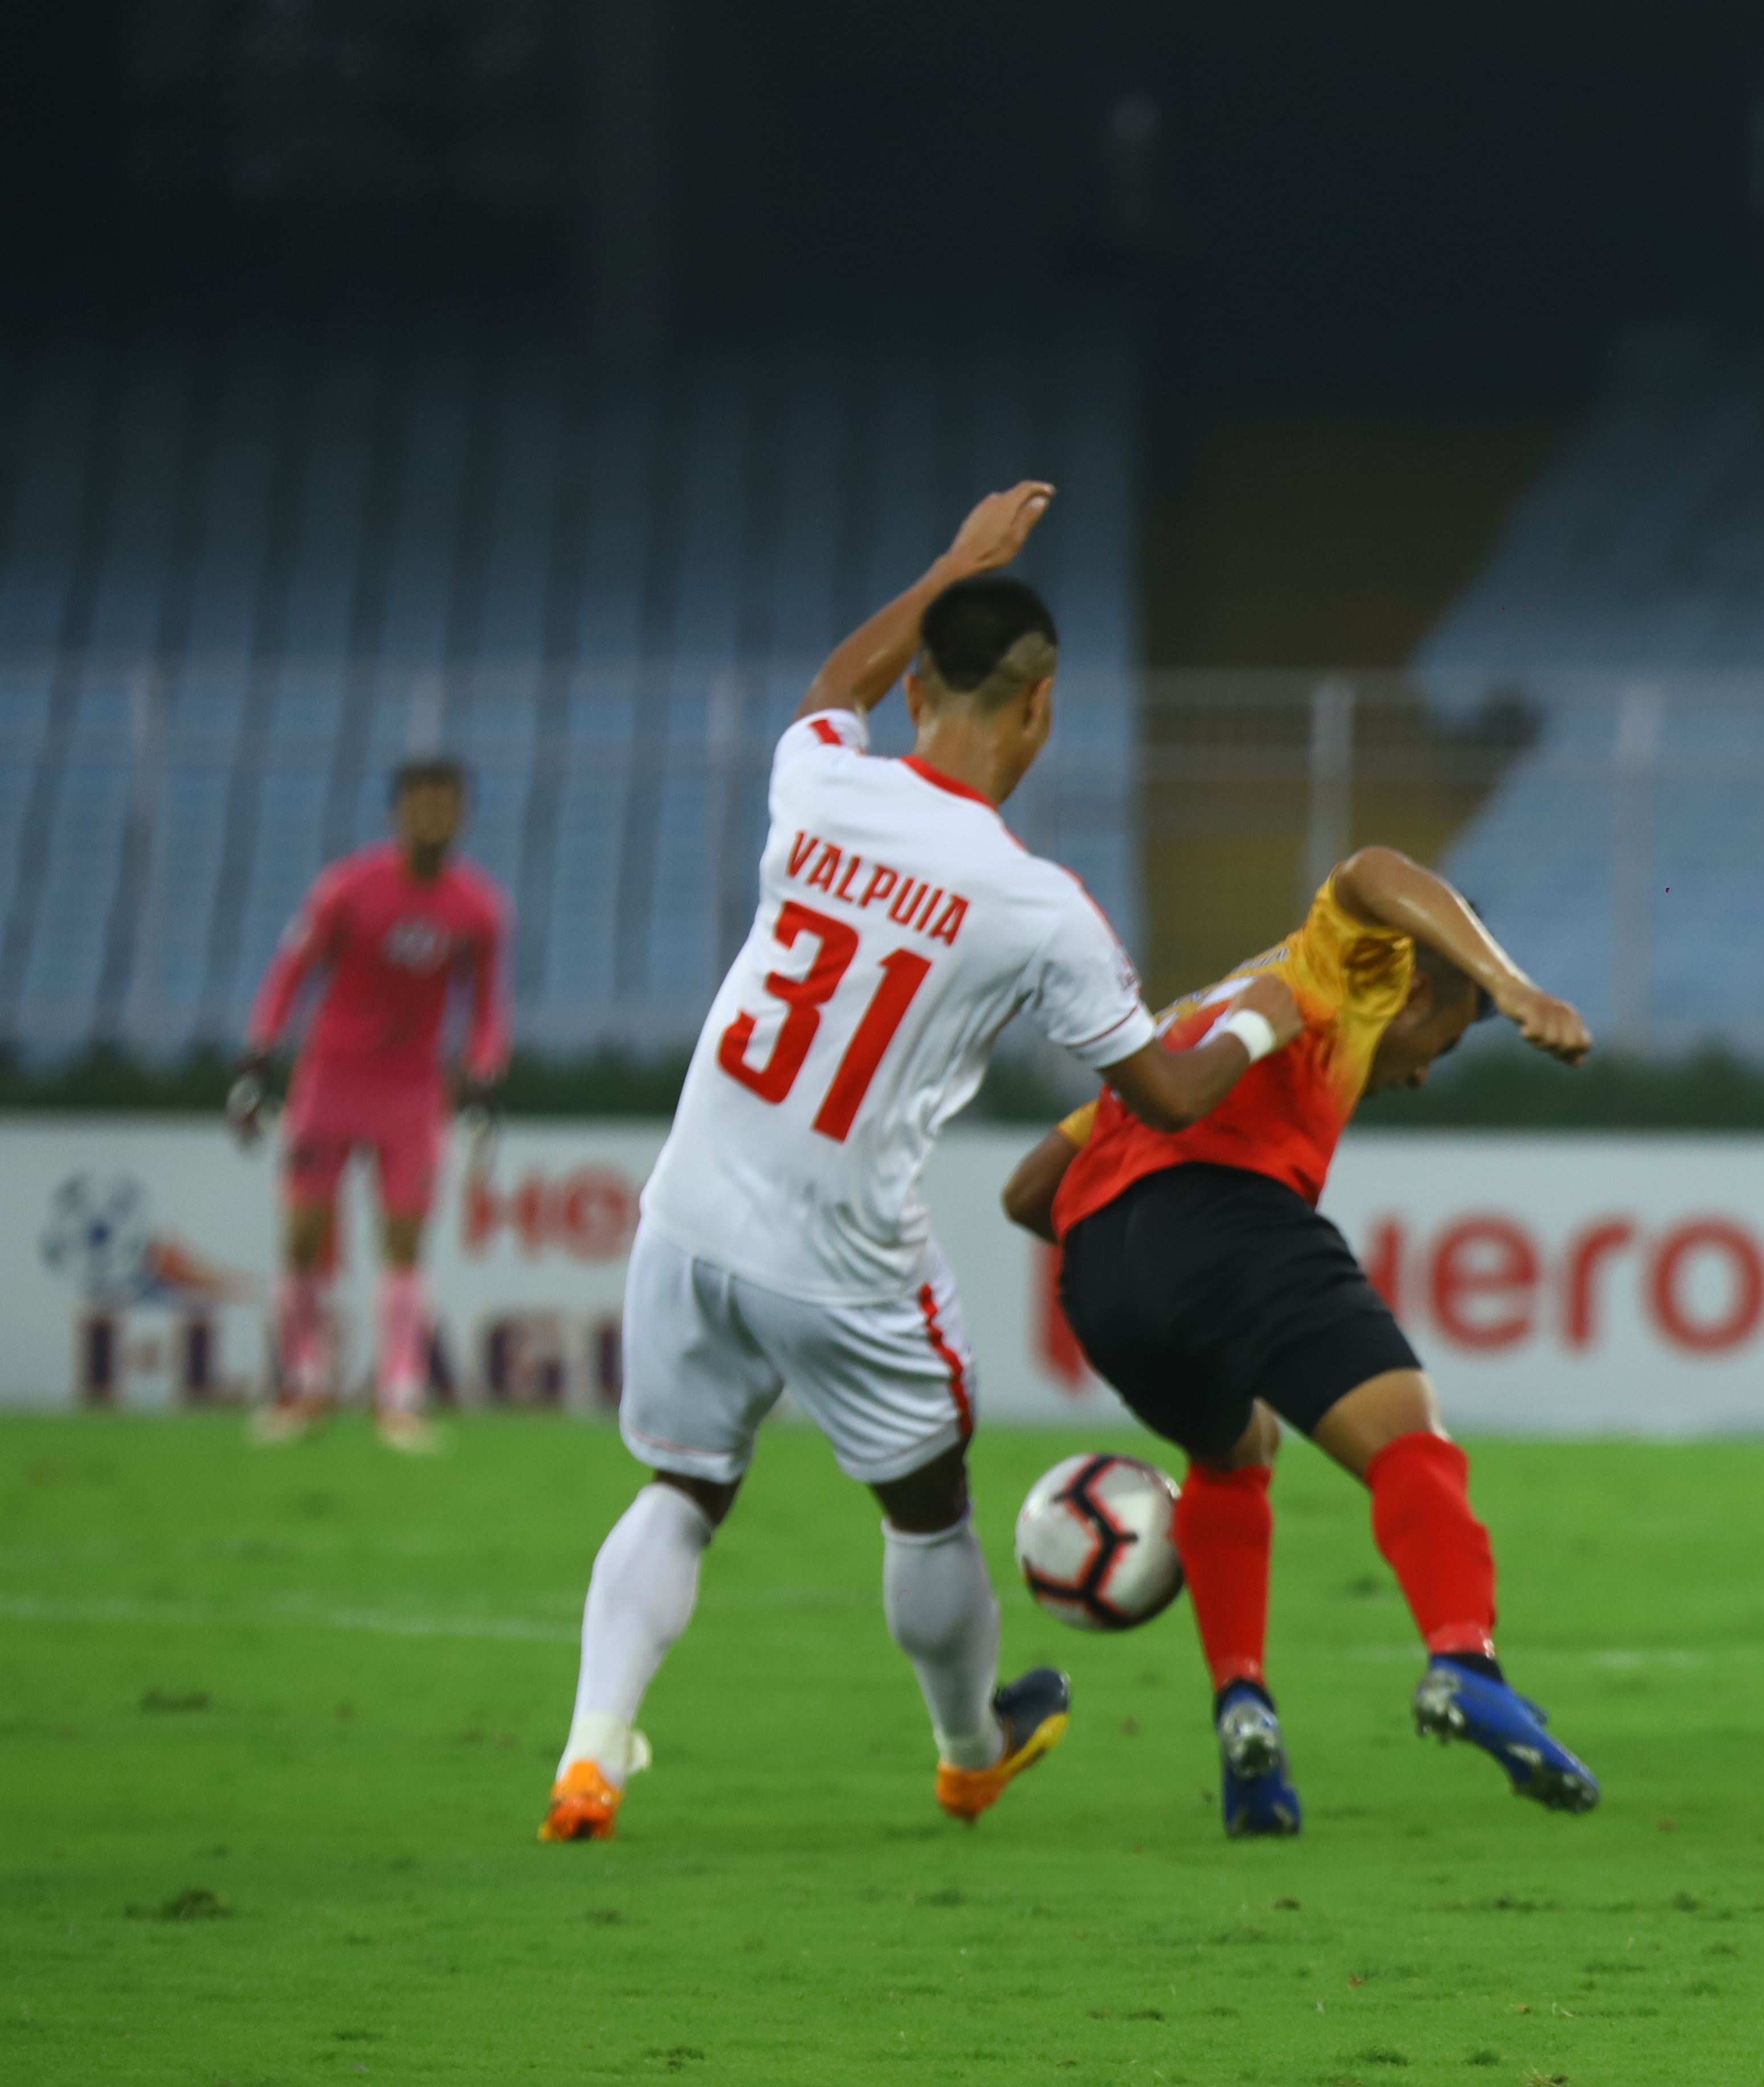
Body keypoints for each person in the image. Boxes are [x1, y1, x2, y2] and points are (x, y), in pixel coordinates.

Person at [541, 484, 1283, 1844]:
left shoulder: (816, 775)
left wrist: (953, 562)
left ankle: (590, 1750)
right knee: (929, 1514)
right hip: (840, 1257)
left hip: (688, 1213)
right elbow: (1170, 1098)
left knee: (687, 1488)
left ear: (922, 686)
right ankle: (967, 1746)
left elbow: (834, 682)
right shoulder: (1036, 906)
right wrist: (1265, 1008)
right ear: (1041, 707)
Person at [997, 846, 1594, 1839]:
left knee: (1236, 1452)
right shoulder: (1347, 965)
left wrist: (1148, 1270)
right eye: (1447, 1042)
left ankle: (1244, 1711)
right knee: (1412, 1441)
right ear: (1423, 990)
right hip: (1230, 1219)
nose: (1424, 1074)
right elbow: (1373, 867)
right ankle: (1465, 1665)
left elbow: (1027, 1194)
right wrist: (1515, 986)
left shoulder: (1196, 1013)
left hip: (1095, 1272)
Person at [232, 758, 511, 1454]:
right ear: (396, 813)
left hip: (414, 1090)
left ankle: (400, 1397)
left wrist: (482, 1073)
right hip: (331, 1078)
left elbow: (485, 1010)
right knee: (302, 1234)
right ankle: (303, 1386)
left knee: (406, 1242)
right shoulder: (346, 889)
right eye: (423, 805)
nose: (435, 818)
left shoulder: (478, 907)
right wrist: (258, 1055)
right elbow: (290, 973)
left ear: (464, 816)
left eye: (448, 805)